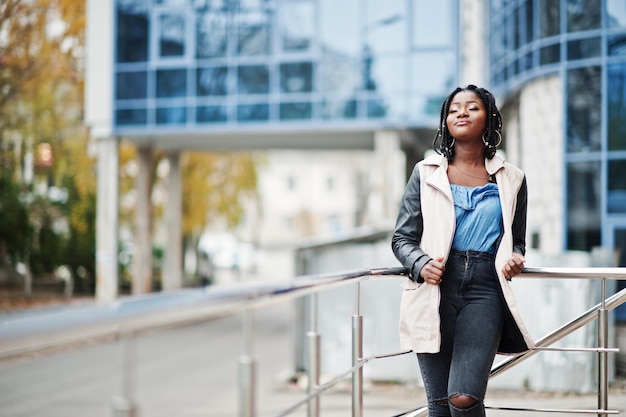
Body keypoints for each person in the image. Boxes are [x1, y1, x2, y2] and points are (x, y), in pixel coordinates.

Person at [391, 84, 535, 417]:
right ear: (445, 120)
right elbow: (402, 238)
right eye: (455, 108)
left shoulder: (512, 178)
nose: (462, 113)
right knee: (440, 405)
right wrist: (420, 263)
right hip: (433, 287)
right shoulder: (425, 173)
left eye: (472, 107)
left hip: (485, 289)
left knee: (464, 397)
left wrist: (514, 257)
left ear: (489, 118)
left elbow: (516, 239)